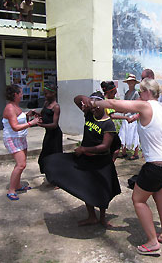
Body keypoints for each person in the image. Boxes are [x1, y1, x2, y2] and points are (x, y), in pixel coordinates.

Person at [89, 78, 162, 256]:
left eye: (140, 92)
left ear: (146, 92)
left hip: (157, 165)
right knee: (161, 198)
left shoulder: (145, 106)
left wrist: (95, 102)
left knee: (138, 200)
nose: (139, 95)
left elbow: (116, 103)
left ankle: (153, 242)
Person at [41, 91, 121, 227]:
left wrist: (84, 149)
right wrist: (90, 103)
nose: (95, 108)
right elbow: (76, 99)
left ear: (104, 105)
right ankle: (92, 217)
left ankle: (102, 218)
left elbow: (104, 146)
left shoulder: (108, 124)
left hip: (101, 163)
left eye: (98, 106)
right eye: (93, 105)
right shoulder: (89, 114)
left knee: (101, 190)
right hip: (86, 160)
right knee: (86, 188)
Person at [2, 85, 41, 201]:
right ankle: (11, 190)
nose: (22, 95)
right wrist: (32, 123)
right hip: (12, 138)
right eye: (20, 93)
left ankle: (17, 186)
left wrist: (27, 115)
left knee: (21, 163)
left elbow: (18, 117)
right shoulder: (9, 108)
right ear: (15, 95)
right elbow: (14, 127)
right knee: (21, 165)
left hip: (21, 138)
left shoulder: (16, 106)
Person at [37, 84, 63, 174]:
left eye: (46, 94)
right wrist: (35, 114)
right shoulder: (46, 104)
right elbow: (43, 114)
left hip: (55, 135)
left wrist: (41, 125)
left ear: (53, 93)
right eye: (44, 94)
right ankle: (50, 175)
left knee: (56, 157)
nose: (45, 96)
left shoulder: (56, 107)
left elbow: (54, 124)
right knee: (44, 156)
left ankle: (58, 178)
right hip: (48, 134)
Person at [101, 80, 128, 160]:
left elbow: (110, 111)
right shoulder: (108, 102)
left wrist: (120, 110)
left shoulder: (102, 100)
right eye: (114, 93)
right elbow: (112, 115)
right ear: (109, 92)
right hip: (109, 129)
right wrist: (126, 118)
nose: (115, 95)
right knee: (116, 148)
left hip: (102, 128)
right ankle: (111, 164)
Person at [118, 74, 140, 160]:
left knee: (134, 134)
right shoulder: (127, 93)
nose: (130, 83)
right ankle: (123, 152)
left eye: (132, 81)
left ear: (134, 83)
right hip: (126, 115)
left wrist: (129, 110)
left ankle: (136, 153)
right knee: (123, 133)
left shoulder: (136, 93)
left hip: (132, 116)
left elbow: (136, 105)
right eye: (129, 82)